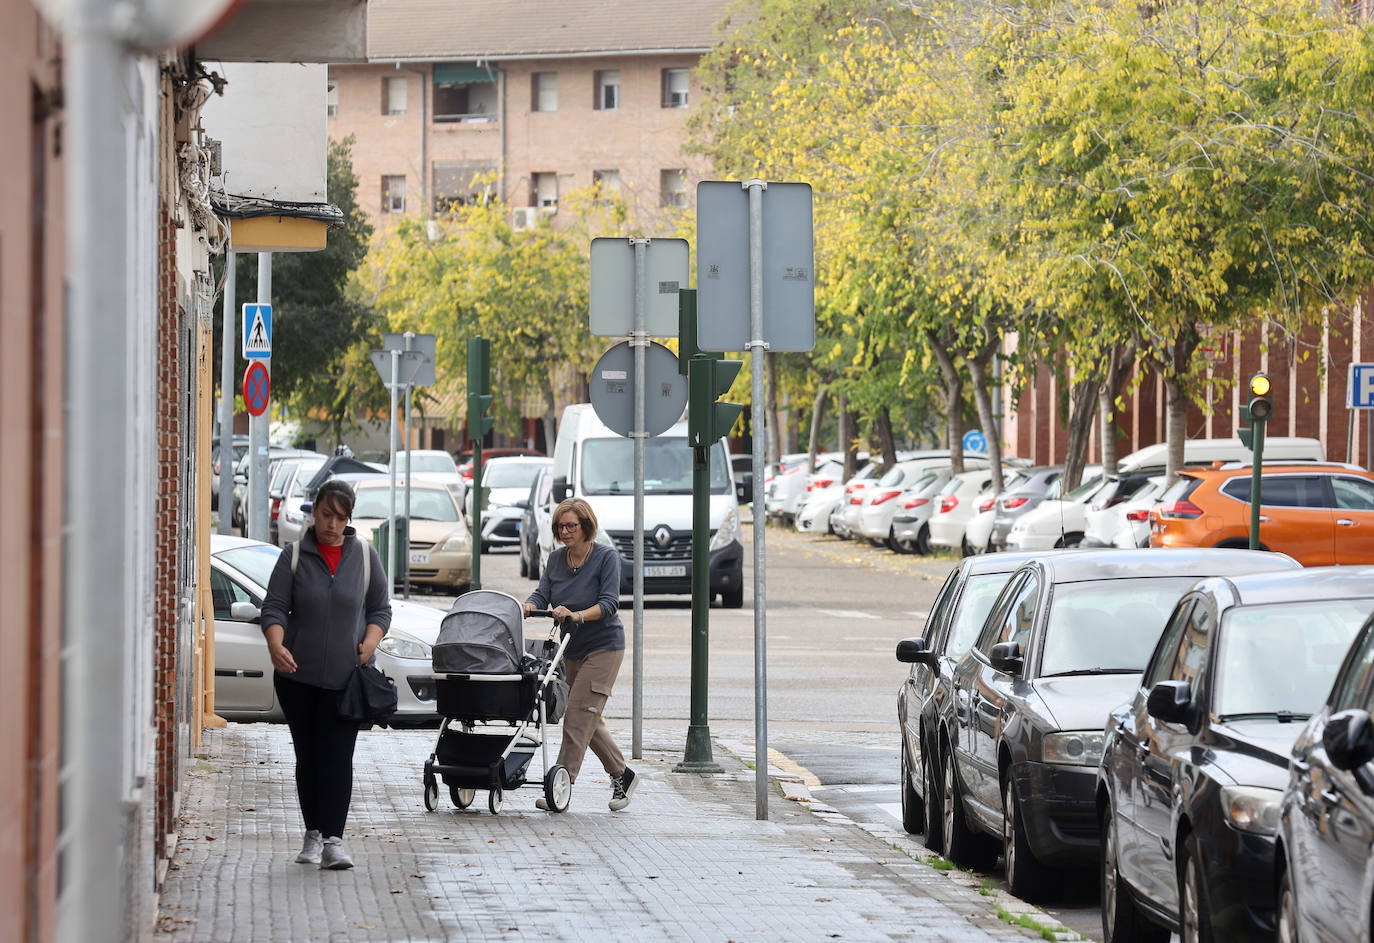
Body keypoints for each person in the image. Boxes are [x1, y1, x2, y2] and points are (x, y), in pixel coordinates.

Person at [260, 478, 391, 869]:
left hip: (345, 679)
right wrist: (275, 644)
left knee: (338, 757)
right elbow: (274, 608)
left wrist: (368, 644)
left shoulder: (366, 557)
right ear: (314, 510)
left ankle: (334, 840)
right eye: (326, 514)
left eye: (341, 516)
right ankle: (313, 834)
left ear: (349, 518)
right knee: (309, 756)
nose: (332, 524)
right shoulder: (294, 556)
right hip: (296, 678)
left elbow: (380, 610)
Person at [523, 497, 637, 811]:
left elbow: (610, 603)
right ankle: (621, 775)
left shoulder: (605, 557)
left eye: (571, 525)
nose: (565, 531)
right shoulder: (557, 560)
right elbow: (542, 592)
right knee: (589, 715)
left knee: (576, 717)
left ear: (586, 526)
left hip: (605, 646)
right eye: (561, 526)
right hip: (571, 648)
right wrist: (530, 605)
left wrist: (577, 614)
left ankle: (560, 784)